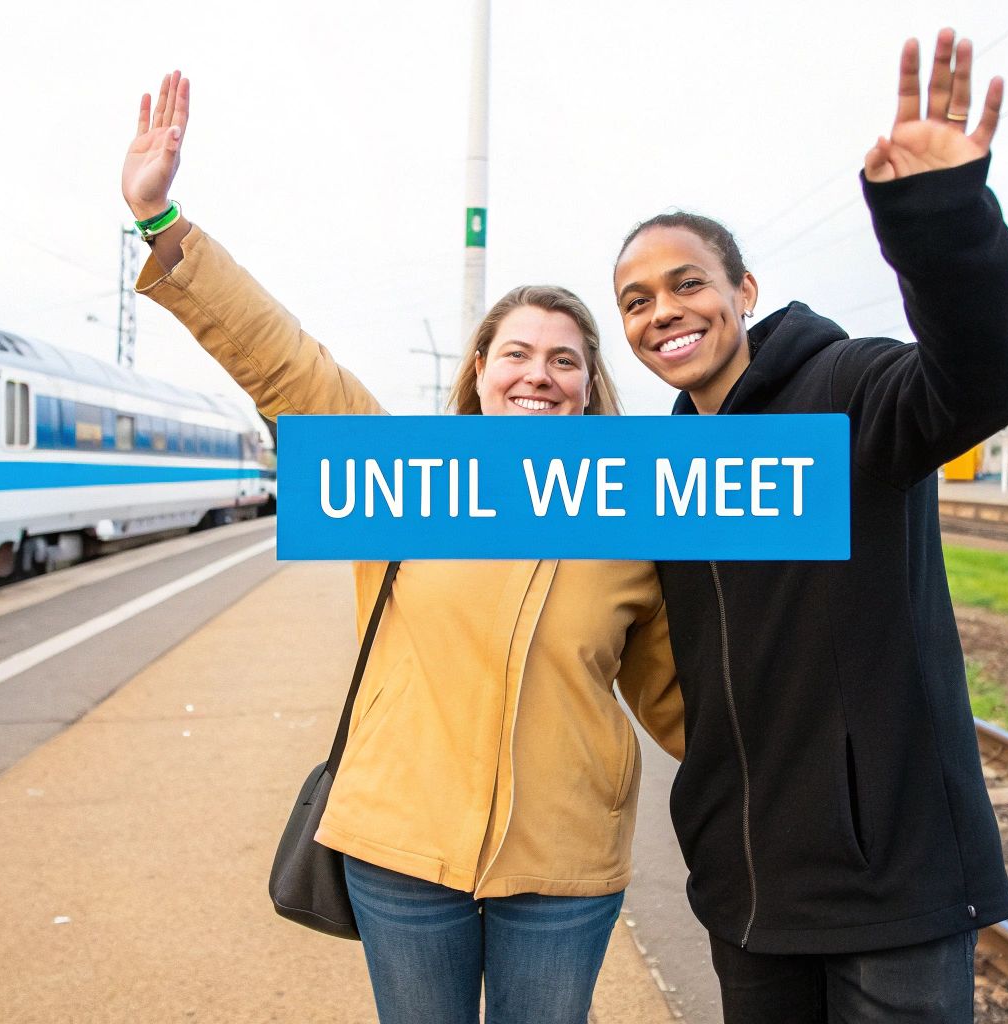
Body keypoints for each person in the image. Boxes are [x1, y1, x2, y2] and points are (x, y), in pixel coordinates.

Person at [119, 72, 685, 1024]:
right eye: (516, 353)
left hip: (566, 860)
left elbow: (677, 694)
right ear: (480, 370)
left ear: (590, 387)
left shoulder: (638, 516)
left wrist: (809, 783)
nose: (537, 375)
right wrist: (162, 220)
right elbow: (287, 361)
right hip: (399, 849)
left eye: (563, 360)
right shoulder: (406, 479)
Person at [611, 30, 1008, 1022]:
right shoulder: (655, 472)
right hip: (743, 892)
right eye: (634, 300)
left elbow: (984, 372)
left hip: (888, 889)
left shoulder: (844, 389)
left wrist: (939, 219)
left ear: (741, 293)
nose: (661, 312)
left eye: (685, 283)